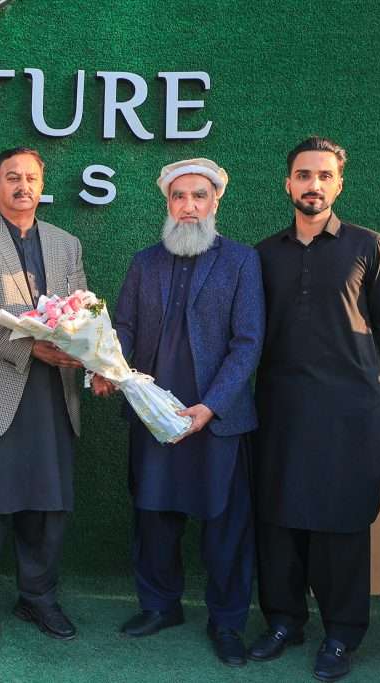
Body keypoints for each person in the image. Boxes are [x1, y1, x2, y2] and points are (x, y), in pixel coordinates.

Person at [92, 158, 264, 667]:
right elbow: (122, 326)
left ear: (215, 202)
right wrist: (105, 368)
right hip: (154, 415)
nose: (188, 206)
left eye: (199, 196)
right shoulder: (144, 262)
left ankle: (227, 621)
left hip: (216, 417)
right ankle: (159, 606)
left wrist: (211, 406)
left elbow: (248, 342)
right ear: (167, 203)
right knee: (153, 516)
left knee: (225, 525)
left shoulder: (241, 261)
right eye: (179, 197)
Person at [249, 137, 380, 682]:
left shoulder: (371, 246)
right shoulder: (264, 254)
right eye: (302, 175)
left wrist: (347, 376)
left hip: (346, 414)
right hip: (279, 409)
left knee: (341, 521)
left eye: (323, 175)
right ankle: (284, 622)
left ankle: (341, 634)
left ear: (338, 183)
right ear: (287, 183)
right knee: (278, 516)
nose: (312, 185)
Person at [0, 147, 86, 650]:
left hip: (53, 393)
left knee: (49, 503)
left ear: (42, 185)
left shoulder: (67, 243)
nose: (22, 186)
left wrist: (81, 346)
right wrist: (32, 347)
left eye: (30, 178)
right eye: (11, 178)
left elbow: (83, 308)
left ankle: (38, 597)